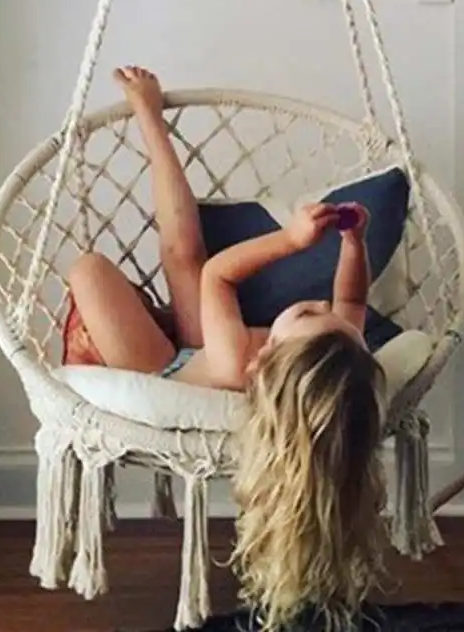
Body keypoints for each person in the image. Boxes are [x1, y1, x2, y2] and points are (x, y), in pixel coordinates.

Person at [65, 66, 388, 631]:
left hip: (163, 367)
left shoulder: (239, 359)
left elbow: (219, 275)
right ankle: (150, 115)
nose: (322, 305)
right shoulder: (336, 351)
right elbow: (353, 300)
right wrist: (352, 243)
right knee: (182, 253)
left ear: (265, 362)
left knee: (98, 269)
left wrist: (292, 240)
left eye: (306, 313)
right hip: (202, 347)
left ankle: (147, 116)